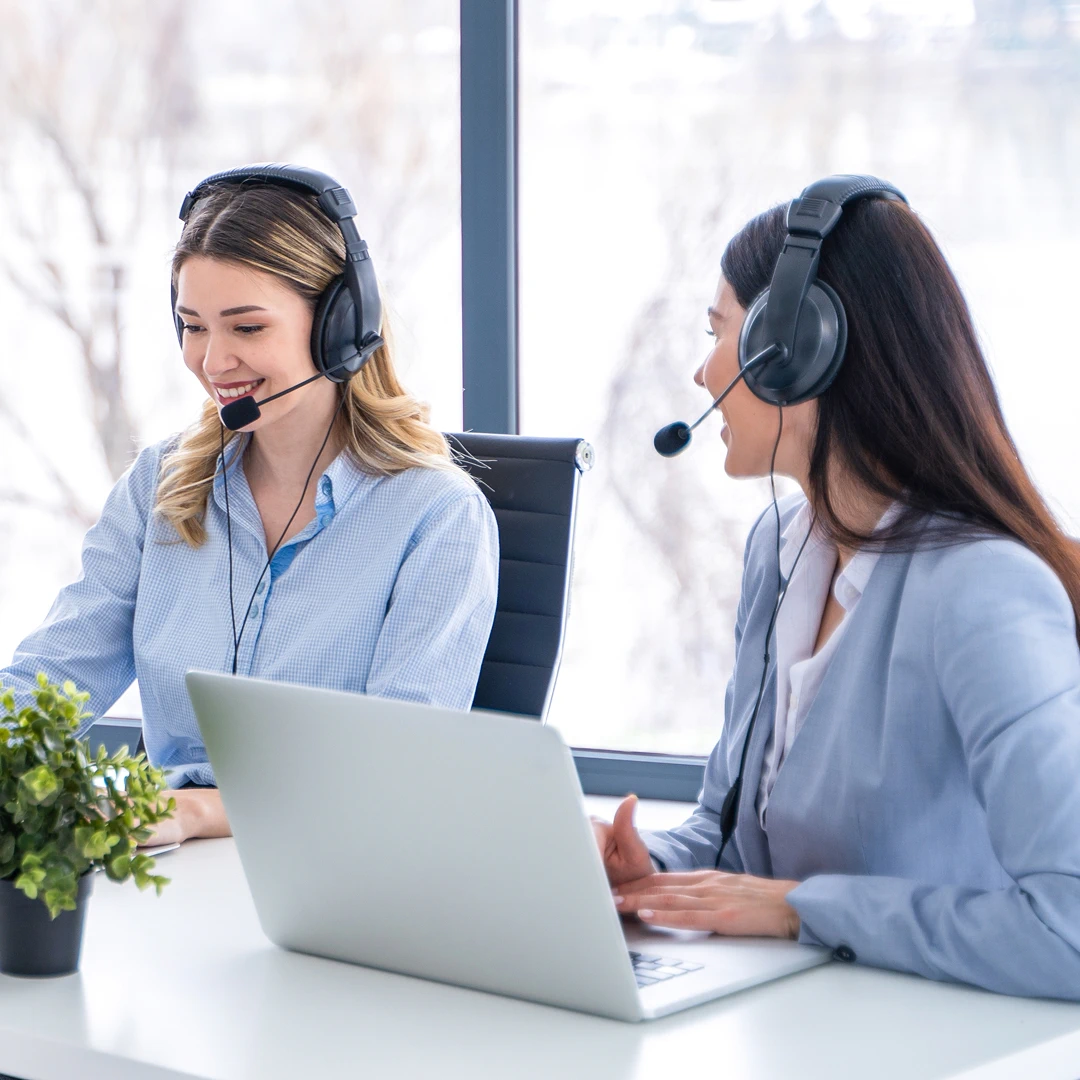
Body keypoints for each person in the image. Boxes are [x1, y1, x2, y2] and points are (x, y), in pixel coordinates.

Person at [594, 175, 1080, 1000]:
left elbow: (1068, 930)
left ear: (795, 350)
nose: (701, 369)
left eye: (719, 332)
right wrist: (653, 868)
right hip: (797, 1025)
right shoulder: (780, 550)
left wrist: (803, 910)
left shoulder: (982, 591)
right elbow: (737, 837)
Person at [0, 165, 499, 846]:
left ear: (339, 324)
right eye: (192, 325)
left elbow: (399, 771)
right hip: (169, 869)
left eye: (247, 328)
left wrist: (202, 812)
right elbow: (55, 675)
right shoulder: (162, 483)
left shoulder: (435, 517)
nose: (212, 360)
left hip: (334, 869)